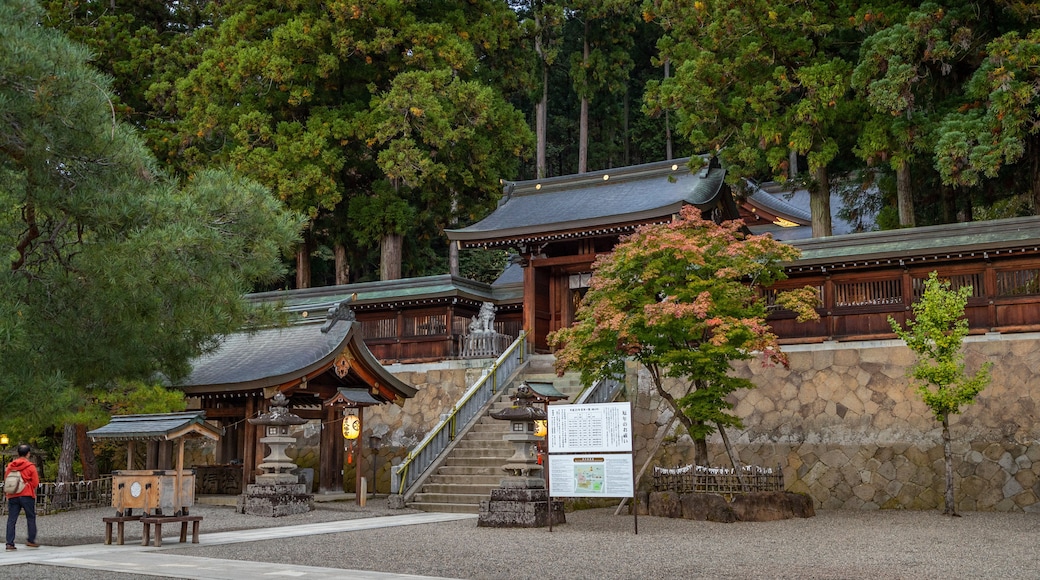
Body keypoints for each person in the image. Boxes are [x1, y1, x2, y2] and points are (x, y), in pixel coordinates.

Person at [5, 444, 39, 550]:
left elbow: (7, 480)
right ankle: (31, 540)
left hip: (13, 494)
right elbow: (35, 482)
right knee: (30, 517)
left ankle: (10, 543)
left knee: (12, 519)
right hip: (27, 494)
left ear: (18, 453)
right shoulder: (30, 466)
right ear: (28, 454)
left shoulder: (10, 466)